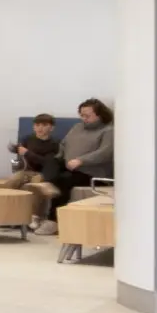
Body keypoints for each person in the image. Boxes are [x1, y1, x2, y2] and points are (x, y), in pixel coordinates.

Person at [33, 99, 115, 235]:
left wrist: (81, 160)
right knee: (50, 160)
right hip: (70, 165)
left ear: (99, 115)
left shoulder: (108, 130)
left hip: (91, 172)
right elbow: (64, 143)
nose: (84, 118)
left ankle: (53, 221)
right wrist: (60, 157)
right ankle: (48, 183)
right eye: (81, 115)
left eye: (87, 115)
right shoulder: (77, 127)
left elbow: (105, 153)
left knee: (63, 181)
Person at [3, 113, 63, 228]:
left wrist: (27, 153)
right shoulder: (27, 139)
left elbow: (47, 162)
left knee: (35, 185)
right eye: (37, 125)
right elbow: (21, 155)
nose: (40, 128)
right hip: (26, 171)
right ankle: (7, 213)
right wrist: (14, 149)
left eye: (44, 125)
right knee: (12, 182)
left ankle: (35, 217)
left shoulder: (55, 144)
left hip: (43, 172)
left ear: (51, 128)